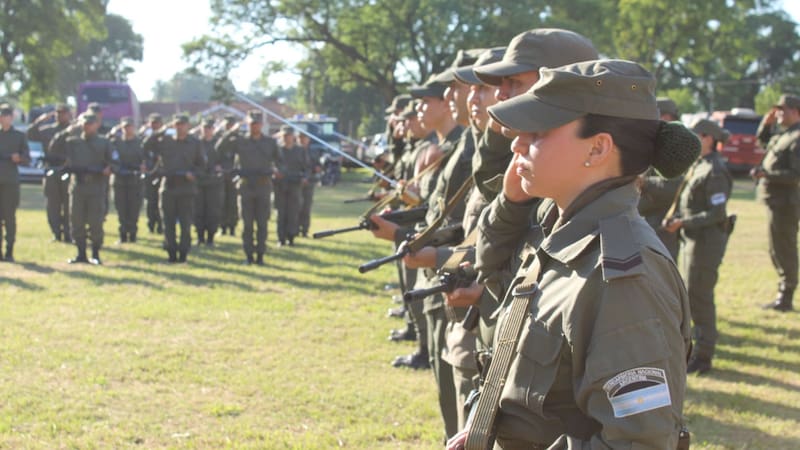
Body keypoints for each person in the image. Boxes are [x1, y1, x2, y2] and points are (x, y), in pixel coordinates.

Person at [446, 59, 698, 450]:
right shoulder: (562, 235)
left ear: (597, 148)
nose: (517, 143)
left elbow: (639, 442)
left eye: (538, 132)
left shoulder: (626, 279)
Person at [663, 118, 733, 375]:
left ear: (709, 139)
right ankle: (695, 351)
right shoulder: (700, 165)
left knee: (700, 297)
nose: (694, 139)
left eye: (698, 135)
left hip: (706, 243)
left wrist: (683, 222)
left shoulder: (715, 170)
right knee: (691, 295)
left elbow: (717, 213)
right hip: (693, 240)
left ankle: (703, 356)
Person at [753, 94, 800, 312]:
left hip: (786, 203)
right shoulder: (784, 135)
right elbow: (763, 142)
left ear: (795, 111)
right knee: (776, 249)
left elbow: (795, 174)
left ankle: (786, 296)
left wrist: (767, 174)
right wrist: (766, 123)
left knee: (784, 248)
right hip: (776, 201)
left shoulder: (797, 137)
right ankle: (783, 293)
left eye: (783, 109)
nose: (778, 113)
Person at [216, 110, 281, 264]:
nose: (255, 127)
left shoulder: (270, 142)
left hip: (263, 186)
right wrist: (230, 132)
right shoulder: (240, 141)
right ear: (247, 124)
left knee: (262, 223)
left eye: (257, 124)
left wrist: (278, 170)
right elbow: (219, 148)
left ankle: (260, 255)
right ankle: (249, 255)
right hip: (246, 186)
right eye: (252, 124)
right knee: (247, 224)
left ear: (262, 125)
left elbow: (280, 160)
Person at [145, 114, 205, 263]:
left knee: (185, 223)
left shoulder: (195, 143)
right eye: (177, 124)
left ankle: (183, 254)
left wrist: (194, 174)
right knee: (168, 222)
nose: (180, 127)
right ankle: (171, 253)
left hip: (186, 187)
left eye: (182, 124)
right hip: (168, 186)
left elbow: (202, 166)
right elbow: (145, 146)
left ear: (188, 126)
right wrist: (160, 131)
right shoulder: (164, 141)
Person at [63, 112, 112, 265]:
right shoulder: (73, 142)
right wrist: (68, 130)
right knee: (76, 221)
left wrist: (108, 169)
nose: (87, 126)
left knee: (95, 222)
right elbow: (54, 148)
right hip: (78, 186)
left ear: (96, 125)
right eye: (84, 123)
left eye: (90, 123)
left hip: (96, 186)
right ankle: (81, 254)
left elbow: (114, 163)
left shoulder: (104, 143)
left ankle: (95, 253)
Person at [639, 97, 684, 259]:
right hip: (644, 222)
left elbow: (675, 186)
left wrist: (643, 183)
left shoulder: (675, 148)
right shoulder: (651, 146)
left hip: (661, 227)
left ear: (665, 118)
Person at [27, 103, 73, 242]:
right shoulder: (48, 130)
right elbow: (31, 133)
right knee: (53, 204)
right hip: (51, 170)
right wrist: (41, 119)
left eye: (63, 113)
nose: (60, 115)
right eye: (58, 113)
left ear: (69, 114)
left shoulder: (74, 130)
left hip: (67, 170)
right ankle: (56, 233)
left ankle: (68, 233)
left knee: (68, 204)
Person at [0, 104, 30, 262]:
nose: (4, 118)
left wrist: (19, 158)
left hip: (10, 181)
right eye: (2, 115)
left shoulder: (19, 136)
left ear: (11, 118)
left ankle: (9, 250)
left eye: (7, 115)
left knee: (9, 217)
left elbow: (27, 159)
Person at [109, 117, 146, 243]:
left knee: (134, 208)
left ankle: (133, 234)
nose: (127, 129)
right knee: (121, 208)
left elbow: (147, 159)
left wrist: (144, 167)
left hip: (134, 180)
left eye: (129, 127)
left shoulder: (140, 143)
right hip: (119, 180)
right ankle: (123, 235)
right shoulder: (116, 142)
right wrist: (114, 131)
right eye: (125, 127)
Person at [275, 125, 309, 247]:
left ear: (293, 137)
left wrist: (305, 177)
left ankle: (291, 237)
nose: (287, 138)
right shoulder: (277, 149)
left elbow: (306, 167)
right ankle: (281, 238)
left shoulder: (300, 150)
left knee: (293, 212)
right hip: (281, 185)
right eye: (284, 136)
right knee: (281, 212)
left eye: (289, 136)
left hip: (295, 185)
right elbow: (272, 165)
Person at [195, 118, 224, 246]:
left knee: (213, 211)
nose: (207, 131)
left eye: (209, 128)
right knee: (198, 210)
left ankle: (210, 238)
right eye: (205, 128)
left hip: (214, 182)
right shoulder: (196, 144)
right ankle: (200, 237)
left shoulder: (218, 144)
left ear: (213, 129)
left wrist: (220, 167)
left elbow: (226, 159)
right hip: (199, 182)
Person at [141, 113, 164, 234]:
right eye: (153, 123)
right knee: (150, 202)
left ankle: (161, 226)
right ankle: (151, 225)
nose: (155, 125)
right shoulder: (147, 138)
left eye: (157, 123)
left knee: (162, 202)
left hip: (162, 174)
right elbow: (142, 150)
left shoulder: (165, 139)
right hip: (150, 174)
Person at [218, 114, 241, 236]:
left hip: (233, 174)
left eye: (231, 125)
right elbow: (217, 150)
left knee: (232, 202)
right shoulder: (221, 137)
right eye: (227, 125)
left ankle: (232, 227)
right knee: (221, 201)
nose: (229, 127)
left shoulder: (239, 138)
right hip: (222, 174)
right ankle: (223, 226)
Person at [298, 133, 322, 237]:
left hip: (309, 182)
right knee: (296, 207)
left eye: (305, 138)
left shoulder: (313, 151)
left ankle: (305, 230)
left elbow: (318, 165)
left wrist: (317, 168)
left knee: (306, 207)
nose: (303, 140)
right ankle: (295, 229)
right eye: (301, 138)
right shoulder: (295, 151)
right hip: (297, 182)